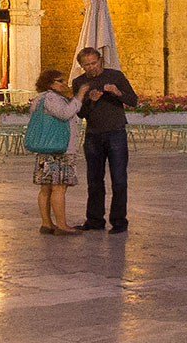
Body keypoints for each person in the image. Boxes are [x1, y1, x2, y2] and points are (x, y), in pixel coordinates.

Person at [72, 47, 138, 233]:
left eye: (94, 63)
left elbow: (133, 100)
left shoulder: (115, 76)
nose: (92, 68)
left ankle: (119, 221)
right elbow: (80, 113)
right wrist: (90, 100)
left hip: (116, 132)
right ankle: (94, 220)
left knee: (118, 179)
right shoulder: (80, 83)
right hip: (93, 134)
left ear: (100, 60)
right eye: (87, 65)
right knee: (94, 180)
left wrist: (117, 92)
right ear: (81, 66)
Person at [26, 70, 83, 234]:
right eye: (60, 81)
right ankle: (62, 225)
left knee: (46, 187)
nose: (64, 83)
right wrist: (79, 97)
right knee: (59, 187)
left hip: (45, 147)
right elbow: (65, 114)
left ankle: (46, 223)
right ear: (50, 83)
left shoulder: (39, 99)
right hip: (59, 149)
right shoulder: (52, 98)